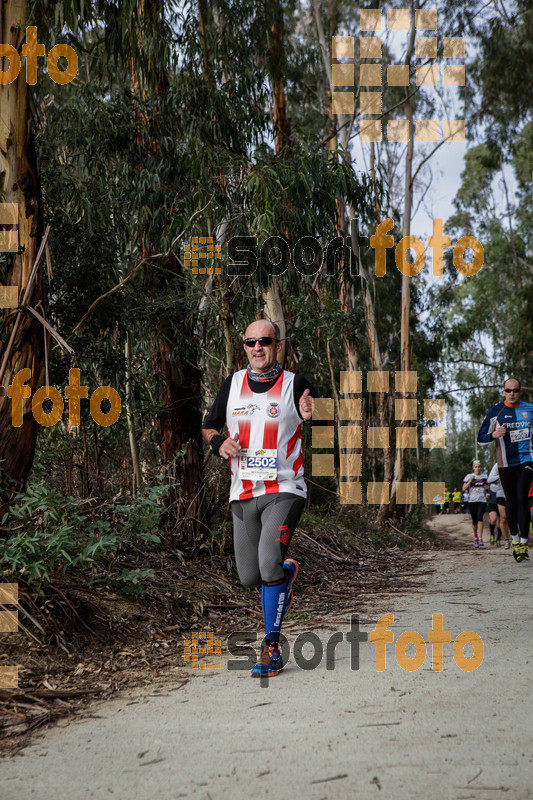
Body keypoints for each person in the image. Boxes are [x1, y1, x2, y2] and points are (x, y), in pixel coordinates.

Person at [202, 320, 316, 677]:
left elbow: (317, 413)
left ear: (278, 345)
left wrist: (315, 414)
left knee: (267, 561)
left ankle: (272, 650)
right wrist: (218, 442)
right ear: (244, 346)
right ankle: (286, 574)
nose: (257, 347)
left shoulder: (295, 383)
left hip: (284, 488)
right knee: (250, 577)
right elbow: (209, 425)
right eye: (251, 341)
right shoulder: (232, 384)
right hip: (243, 493)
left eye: (265, 341)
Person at [478, 378, 533, 562]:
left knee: (522, 498)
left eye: (515, 390)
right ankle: (515, 541)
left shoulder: (529, 409)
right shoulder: (495, 412)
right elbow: (480, 438)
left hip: (527, 460)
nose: (512, 393)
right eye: (508, 390)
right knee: (511, 501)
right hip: (505, 463)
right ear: (503, 392)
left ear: (520, 392)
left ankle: (524, 543)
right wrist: (493, 435)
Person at [463, 461, 488, 548]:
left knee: (480, 518)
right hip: (472, 501)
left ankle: (481, 538)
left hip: (482, 500)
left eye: (479, 467)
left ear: (481, 468)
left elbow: (487, 486)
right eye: (476, 467)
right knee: (474, 521)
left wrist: (487, 488)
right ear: (473, 468)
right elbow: (464, 488)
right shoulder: (469, 476)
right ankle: (475, 537)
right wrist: (470, 480)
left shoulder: (485, 476)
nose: (477, 468)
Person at [487, 462, 510, 549]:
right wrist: (500, 476)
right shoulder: (498, 465)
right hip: (499, 495)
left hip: (512, 494)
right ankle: (505, 540)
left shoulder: (516, 461)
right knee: (501, 518)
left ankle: (515, 539)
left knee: (509, 518)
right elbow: (489, 480)